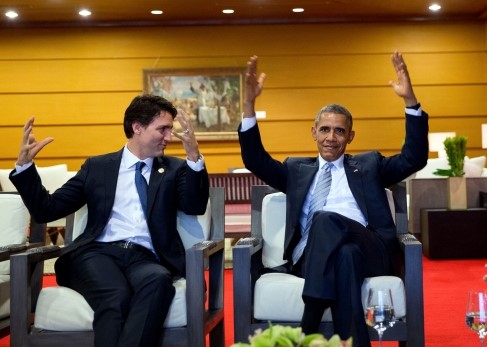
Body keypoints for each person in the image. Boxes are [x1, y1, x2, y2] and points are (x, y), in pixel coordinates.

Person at [238, 52, 428, 347]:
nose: (331, 137)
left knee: (326, 219)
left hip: (372, 250)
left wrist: (410, 103)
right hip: (312, 258)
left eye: (339, 131)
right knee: (345, 257)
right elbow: (255, 160)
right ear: (314, 132)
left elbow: (413, 158)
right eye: (325, 129)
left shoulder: (369, 166)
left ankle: (309, 319)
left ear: (350, 136)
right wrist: (248, 106)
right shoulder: (295, 170)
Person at [9, 95, 209, 347]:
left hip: (145, 257)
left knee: (159, 282)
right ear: (137, 127)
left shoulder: (175, 168)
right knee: (115, 295)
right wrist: (25, 167)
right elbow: (47, 209)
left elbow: (194, 204)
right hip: (96, 253)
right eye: (163, 129)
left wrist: (193, 156)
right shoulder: (98, 167)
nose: (169, 137)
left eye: (170, 129)